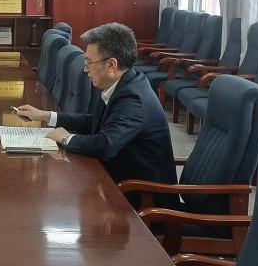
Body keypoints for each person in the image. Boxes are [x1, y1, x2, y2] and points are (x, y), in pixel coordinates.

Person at [16, 22, 176, 206]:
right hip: (120, 181)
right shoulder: (124, 83)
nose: (85, 69)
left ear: (111, 65)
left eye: (89, 62)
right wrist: (46, 116)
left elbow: (106, 145)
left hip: (144, 199)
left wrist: (67, 138)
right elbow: (94, 121)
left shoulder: (133, 99)